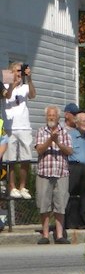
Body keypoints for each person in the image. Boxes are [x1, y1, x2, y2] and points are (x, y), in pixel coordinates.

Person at [34, 105, 72, 243]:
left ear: (58, 117)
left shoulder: (65, 133)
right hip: (44, 172)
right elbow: (39, 150)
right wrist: (50, 140)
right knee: (44, 204)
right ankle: (45, 235)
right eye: (49, 115)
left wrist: (58, 143)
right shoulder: (40, 132)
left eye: (53, 115)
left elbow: (69, 151)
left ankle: (60, 235)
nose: (51, 118)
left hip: (61, 172)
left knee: (60, 204)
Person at [2, 61, 36, 198]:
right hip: (10, 127)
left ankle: (22, 186)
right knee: (10, 159)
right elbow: (7, 96)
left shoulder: (25, 87)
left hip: (24, 126)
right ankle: (12, 187)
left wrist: (29, 78)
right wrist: (12, 84)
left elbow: (33, 95)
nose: (19, 73)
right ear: (11, 72)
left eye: (20, 71)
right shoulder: (4, 86)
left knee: (25, 158)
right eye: (16, 70)